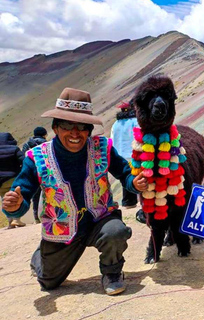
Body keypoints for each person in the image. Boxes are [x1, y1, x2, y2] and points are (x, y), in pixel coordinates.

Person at [1, 88, 148, 295]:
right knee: (49, 283)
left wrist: (135, 182)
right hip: (60, 230)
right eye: (67, 125)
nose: (75, 133)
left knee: (116, 232)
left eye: (82, 126)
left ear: (89, 129)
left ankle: (112, 273)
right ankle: (40, 257)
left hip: (100, 220)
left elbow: (125, 174)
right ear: (55, 127)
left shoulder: (102, 148)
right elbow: (22, 194)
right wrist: (15, 207)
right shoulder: (37, 158)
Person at [111, 101, 139, 209]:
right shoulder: (136, 121)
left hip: (119, 154)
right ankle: (143, 200)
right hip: (134, 154)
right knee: (139, 177)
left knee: (126, 176)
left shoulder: (116, 124)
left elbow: (112, 139)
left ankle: (128, 202)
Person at [22, 126, 48, 223]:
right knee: (48, 192)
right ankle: (48, 215)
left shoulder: (27, 144)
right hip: (46, 171)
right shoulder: (46, 143)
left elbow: (24, 158)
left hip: (32, 171)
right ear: (44, 134)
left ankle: (36, 217)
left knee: (35, 195)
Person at [0, 132, 25, 228]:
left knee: (5, 199)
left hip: (0, 181)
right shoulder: (14, 149)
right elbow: (23, 160)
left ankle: (10, 221)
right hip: (13, 177)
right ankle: (16, 219)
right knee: (15, 197)